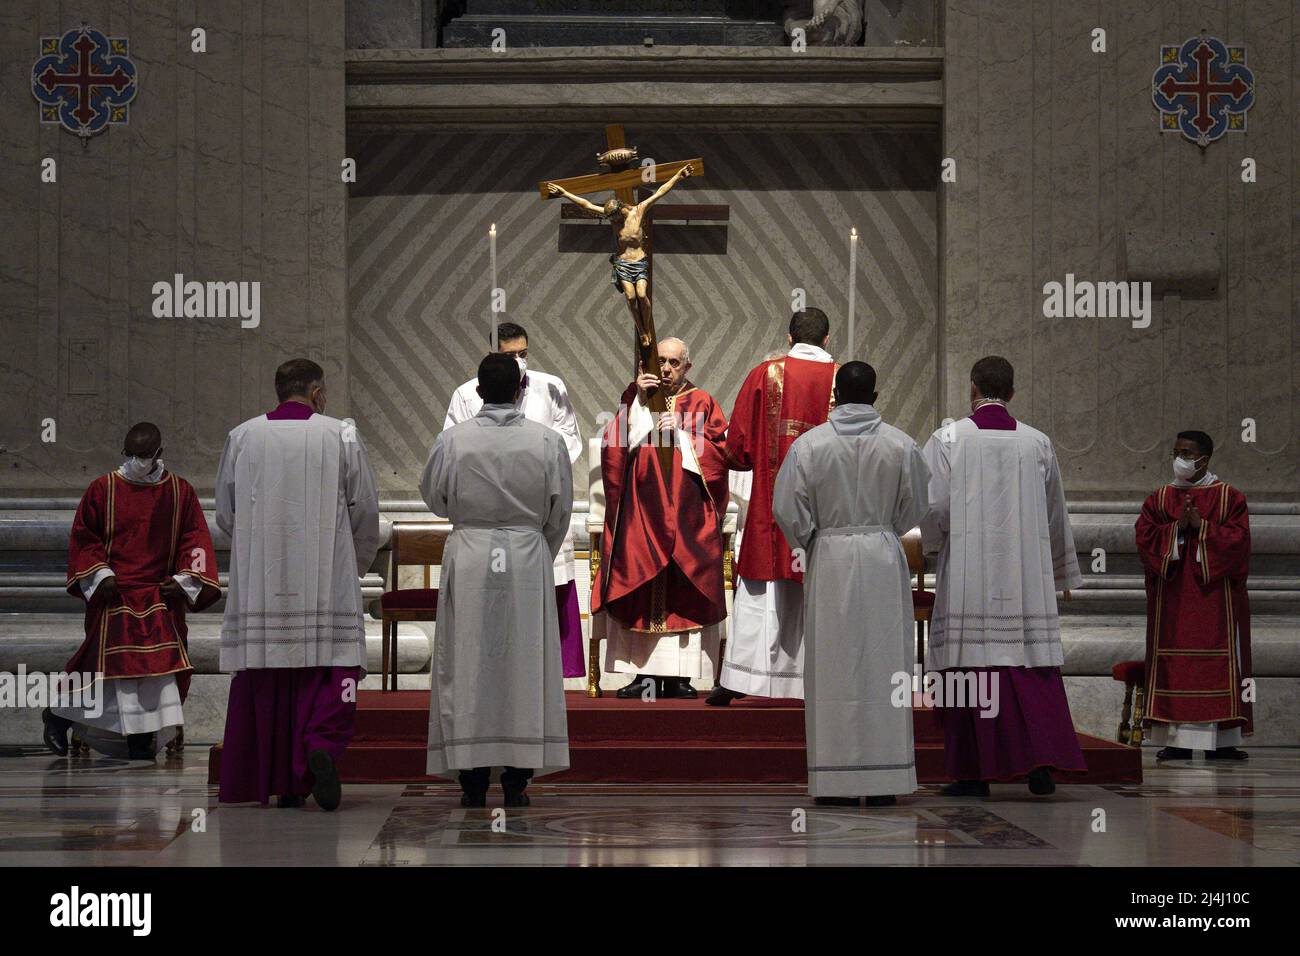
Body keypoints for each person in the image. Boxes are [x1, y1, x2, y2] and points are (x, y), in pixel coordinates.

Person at [216, 358, 380, 810]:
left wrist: (253, 549)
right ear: (318, 394)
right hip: (327, 570)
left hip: (262, 576)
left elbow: (226, 513)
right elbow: (364, 506)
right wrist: (356, 562)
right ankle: (318, 745)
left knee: (268, 674)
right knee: (332, 668)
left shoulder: (243, 435)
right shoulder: (340, 433)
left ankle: (275, 778)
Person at [921, 356, 1086, 796]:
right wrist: (1059, 573)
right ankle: (1040, 766)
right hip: (1024, 577)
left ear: (972, 387)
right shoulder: (1038, 443)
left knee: (970, 668)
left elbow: (933, 507)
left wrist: (936, 544)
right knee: (1028, 665)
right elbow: (1055, 514)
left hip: (970, 574)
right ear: (1012, 393)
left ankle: (972, 774)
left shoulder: (947, 438)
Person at [773, 363, 930, 807]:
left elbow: (787, 507)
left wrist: (812, 536)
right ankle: (885, 781)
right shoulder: (901, 444)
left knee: (833, 663)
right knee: (885, 663)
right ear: (875, 395)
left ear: (836, 394)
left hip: (833, 555)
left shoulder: (809, 446)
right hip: (881, 553)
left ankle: (836, 781)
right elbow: (917, 502)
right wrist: (885, 527)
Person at [422, 353, 573, 806]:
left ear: (479, 391)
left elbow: (434, 497)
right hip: (526, 557)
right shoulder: (546, 441)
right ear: (520, 389)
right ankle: (516, 778)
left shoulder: (453, 440)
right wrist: (536, 548)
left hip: (470, 555)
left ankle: (471, 778)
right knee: (523, 664)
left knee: (468, 663)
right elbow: (560, 510)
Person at [44, 422, 219, 760]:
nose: (139, 460)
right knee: (98, 665)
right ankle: (57, 716)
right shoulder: (103, 489)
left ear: (159, 454)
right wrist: (101, 572)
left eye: (146, 455)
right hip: (114, 593)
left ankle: (143, 738)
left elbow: (194, 540)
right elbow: (84, 538)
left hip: (159, 595)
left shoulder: (180, 492)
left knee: (158, 670)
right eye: (132, 454)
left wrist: (184, 578)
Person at [709, 309, 837, 705]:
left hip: (771, 509)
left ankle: (741, 680)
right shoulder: (842, 378)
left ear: (788, 337)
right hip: (826, 513)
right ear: (827, 341)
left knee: (759, 594)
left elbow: (740, 449)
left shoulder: (766, 374)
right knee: (816, 588)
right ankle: (812, 683)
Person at [445, 321, 584, 678]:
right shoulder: (466, 394)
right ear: (492, 353)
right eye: (511, 356)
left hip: (537, 503)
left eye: (524, 354)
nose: (520, 362)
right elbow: (452, 449)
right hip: (488, 511)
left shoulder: (551, 387)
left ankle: (550, 669)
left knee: (546, 590)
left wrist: (537, 468)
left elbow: (569, 436)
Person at [592, 337, 730, 699]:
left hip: (685, 514)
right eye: (660, 362)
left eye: (673, 362)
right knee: (640, 584)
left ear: (687, 366)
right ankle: (642, 675)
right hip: (642, 511)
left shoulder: (702, 402)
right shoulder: (634, 395)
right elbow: (615, 446)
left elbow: (718, 455)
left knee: (681, 586)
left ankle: (679, 676)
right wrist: (638, 401)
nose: (666, 369)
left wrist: (683, 436)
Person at [1136, 430, 1252, 760]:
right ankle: (1175, 740)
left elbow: (1238, 543)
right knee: (1174, 664)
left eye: (1187, 453)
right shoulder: (1159, 499)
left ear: (1205, 458)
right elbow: (1144, 538)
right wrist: (1178, 530)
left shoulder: (1230, 498)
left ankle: (1223, 741)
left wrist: (1203, 528)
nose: (1180, 459)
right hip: (1171, 601)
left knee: (1218, 664)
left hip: (1215, 601)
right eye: (1176, 452)